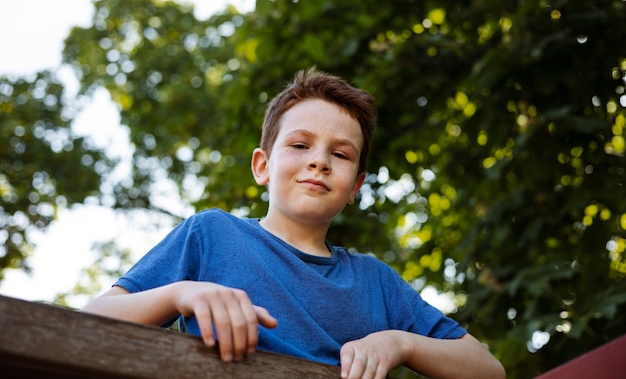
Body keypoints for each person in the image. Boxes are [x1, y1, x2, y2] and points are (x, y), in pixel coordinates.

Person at [82, 68, 505, 379]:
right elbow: (95, 320)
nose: (319, 161)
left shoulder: (377, 282)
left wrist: (400, 342)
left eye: (340, 155)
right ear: (262, 166)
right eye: (300, 145)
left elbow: (488, 370)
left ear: (355, 186)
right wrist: (180, 293)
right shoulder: (210, 234)